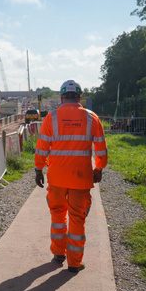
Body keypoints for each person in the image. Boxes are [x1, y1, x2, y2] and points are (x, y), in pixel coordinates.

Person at [34, 80, 108, 273]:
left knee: (58, 216)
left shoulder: (52, 118)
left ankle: (58, 253)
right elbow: (101, 148)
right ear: (79, 97)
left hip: (57, 178)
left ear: (61, 97)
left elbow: (42, 147)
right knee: (77, 218)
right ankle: (75, 263)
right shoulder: (92, 118)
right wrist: (99, 168)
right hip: (80, 178)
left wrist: (38, 169)